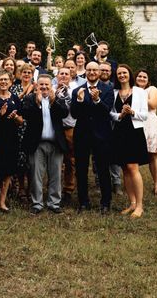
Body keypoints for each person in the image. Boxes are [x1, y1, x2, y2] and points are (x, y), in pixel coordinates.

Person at [71, 61, 115, 214]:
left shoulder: (108, 89)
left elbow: (106, 112)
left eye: (94, 70)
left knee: (103, 169)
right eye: (89, 70)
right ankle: (83, 202)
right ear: (85, 72)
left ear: (99, 72)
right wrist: (80, 100)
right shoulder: (77, 90)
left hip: (101, 135)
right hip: (82, 135)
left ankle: (105, 202)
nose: (91, 72)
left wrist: (97, 100)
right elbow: (74, 114)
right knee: (81, 170)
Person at [22, 74, 69, 214]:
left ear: (51, 86)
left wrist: (53, 102)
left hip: (55, 143)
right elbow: (25, 114)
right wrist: (37, 104)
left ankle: (54, 203)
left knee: (55, 175)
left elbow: (65, 113)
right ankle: (37, 203)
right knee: (36, 175)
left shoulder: (57, 99)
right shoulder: (30, 99)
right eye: (41, 85)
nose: (44, 87)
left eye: (46, 85)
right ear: (36, 86)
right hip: (37, 143)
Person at [110, 64, 149, 219]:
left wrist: (131, 112)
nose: (122, 76)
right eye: (119, 73)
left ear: (129, 74)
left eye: (124, 73)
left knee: (133, 167)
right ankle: (132, 202)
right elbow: (110, 113)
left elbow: (145, 115)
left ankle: (140, 205)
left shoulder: (139, 91)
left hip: (134, 132)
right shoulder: (114, 93)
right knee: (124, 168)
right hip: (119, 132)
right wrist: (119, 115)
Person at [0, 70, 23, 214]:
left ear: (11, 82)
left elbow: (21, 121)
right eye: (0, 79)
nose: (3, 82)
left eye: (6, 80)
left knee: (8, 172)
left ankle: (2, 202)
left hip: (11, 138)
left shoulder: (15, 98)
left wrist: (15, 117)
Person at [135, 69, 157, 195]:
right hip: (136, 122)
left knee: (153, 154)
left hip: (150, 123)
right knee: (134, 154)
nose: (141, 78)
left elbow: (153, 104)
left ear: (148, 80)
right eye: (139, 76)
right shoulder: (132, 89)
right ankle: (135, 183)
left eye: (144, 77)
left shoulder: (152, 89)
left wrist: (138, 97)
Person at [10, 63, 35, 200]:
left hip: (32, 125)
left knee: (31, 159)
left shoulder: (37, 87)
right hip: (18, 125)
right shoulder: (14, 88)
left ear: (32, 74)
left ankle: (31, 188)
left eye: (29, 73)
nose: (26, 75)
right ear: (20, 74)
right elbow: (13, 102)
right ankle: (21, 188)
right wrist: (25, 92)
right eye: (24, 72)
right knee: (20, 159)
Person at [97, 61, 123, 196]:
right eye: (102, 70)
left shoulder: (114, 88)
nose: (105, 72)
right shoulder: (92, 86)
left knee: (113, 155)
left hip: (112, 125)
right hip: (97, 126)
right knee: (98, 156)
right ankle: (98, 181)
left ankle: (116, 182)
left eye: (107, 70)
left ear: (111, 72)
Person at [54, 66, 77, 204]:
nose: (63, 76)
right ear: (57, 76)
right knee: (56, 161)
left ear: (70, 76)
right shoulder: (51, 89)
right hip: (56, 129)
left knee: (70, 160)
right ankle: (54, 188)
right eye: (61, 74)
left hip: (71, 128)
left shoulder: (75, 90)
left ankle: (68, 190)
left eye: (66, 74)